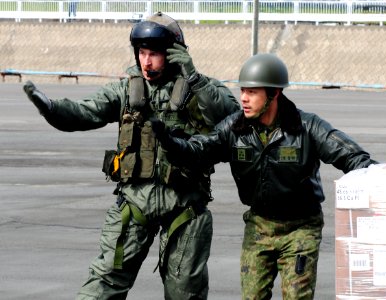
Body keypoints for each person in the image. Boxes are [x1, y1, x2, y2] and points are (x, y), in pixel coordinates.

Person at [23, 12, 240, 300]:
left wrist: (195, 79)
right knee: (103, 284)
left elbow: (231, 117)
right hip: (135, 203)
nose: (146, 61)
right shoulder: (126, 91)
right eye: (142, 53)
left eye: (154, 54)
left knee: (184, 292)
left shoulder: (199, 89)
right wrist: (50, 108)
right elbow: (84, 112)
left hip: (184, 205)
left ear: (175, 54)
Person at [151, 53, 378, 300]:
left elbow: (354, 158)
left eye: (252, 92)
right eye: (243, 91)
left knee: (296, 297)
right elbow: (199, 150)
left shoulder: (306, 127)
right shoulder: (234, 128)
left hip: (300, 228)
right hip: (259, 225)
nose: (244, 99)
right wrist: (169, 141)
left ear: (274, 94)